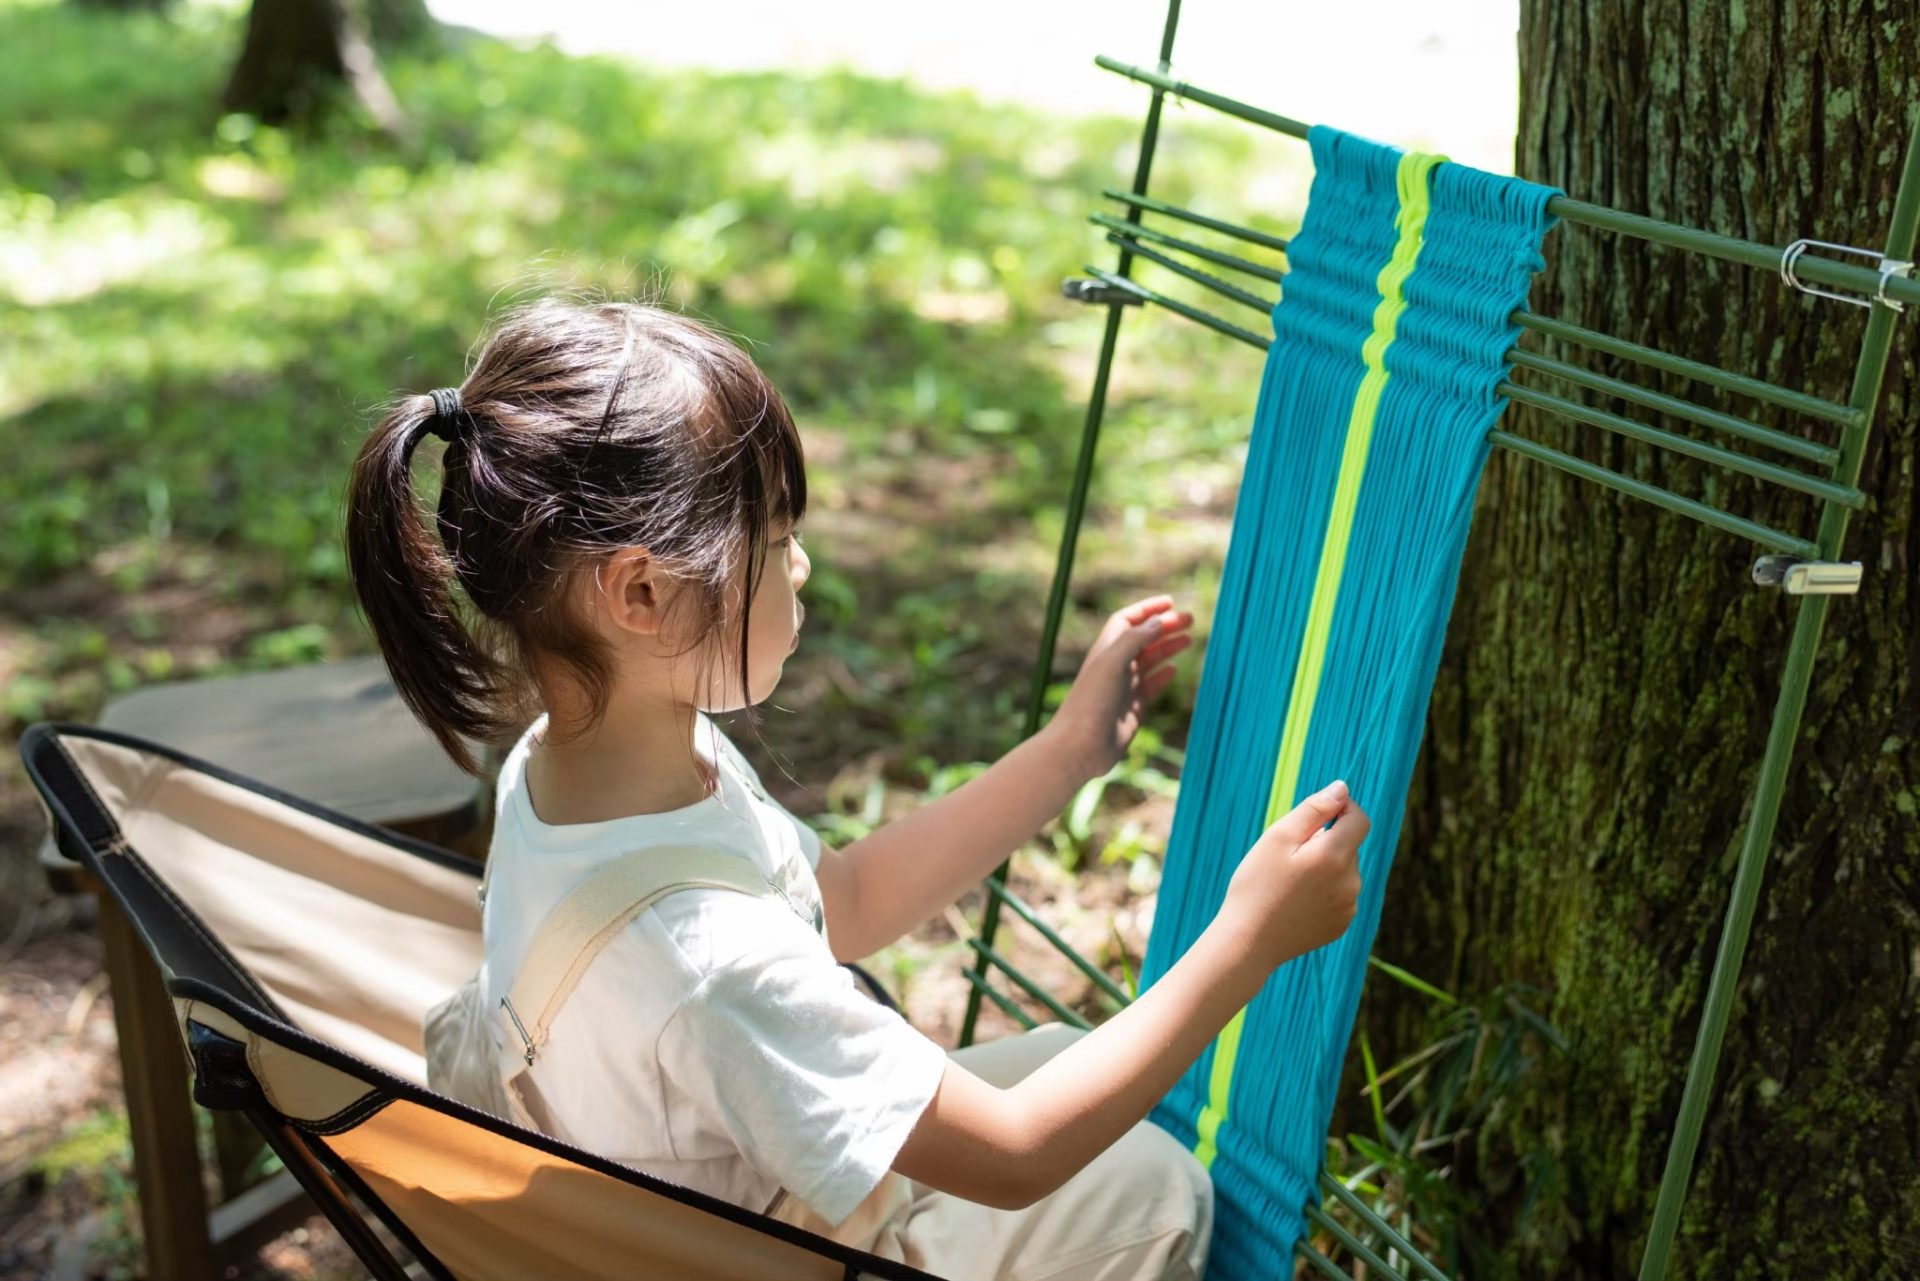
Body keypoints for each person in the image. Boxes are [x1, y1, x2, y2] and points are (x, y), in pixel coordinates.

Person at [343, 294, 1369, 1281]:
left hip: (729, 1200)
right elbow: (1014, 1154)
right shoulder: (708, 966)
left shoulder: (579, 771)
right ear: (642, 593)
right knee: (1153, 1191)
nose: (803, 566)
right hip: (766, 1252)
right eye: (778, 539)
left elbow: (851, 902)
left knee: (1066, 1051)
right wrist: (1252, 939)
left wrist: (1067, 751)